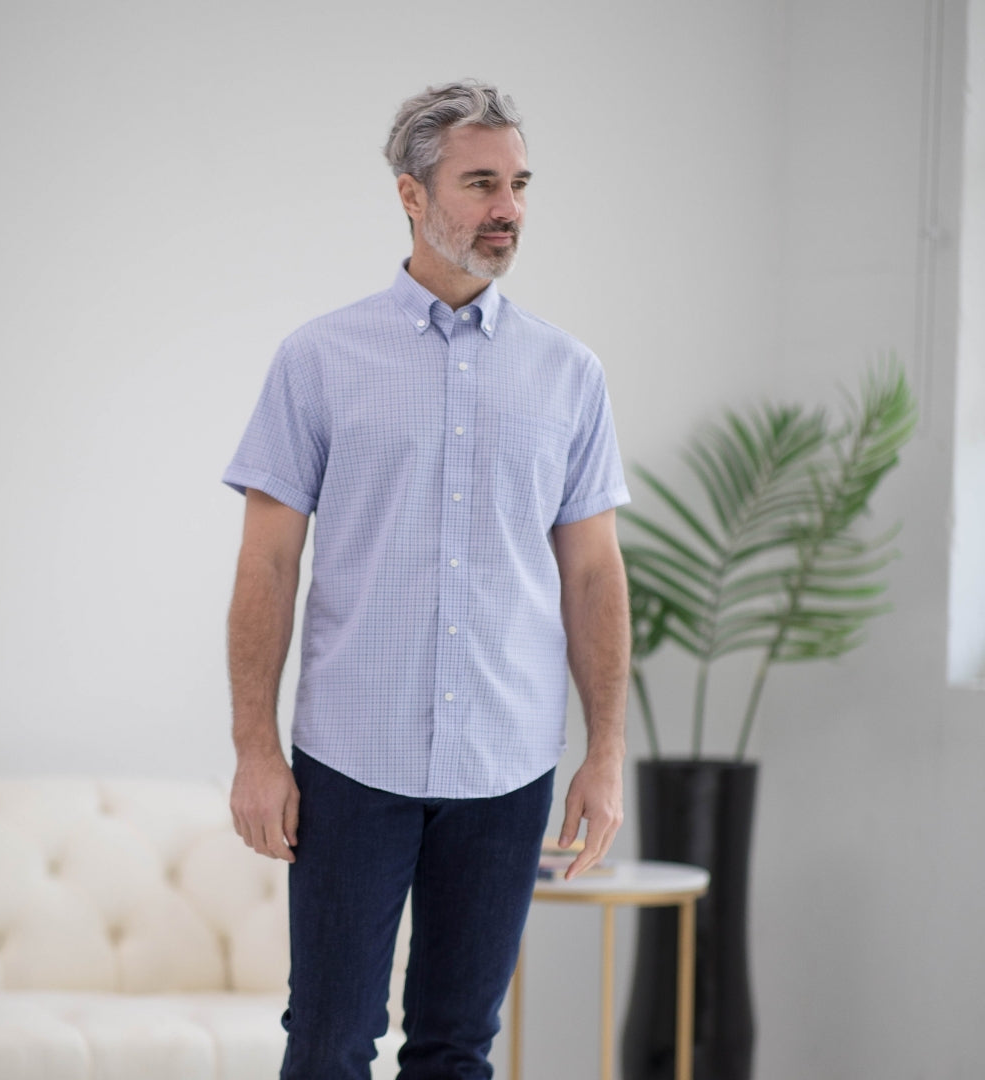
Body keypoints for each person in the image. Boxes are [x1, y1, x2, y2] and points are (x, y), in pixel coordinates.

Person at [223, 79, 631, 1080]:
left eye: (521, 184)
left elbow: (591, 573)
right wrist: (254, 750)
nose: (508, 209)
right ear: (413, 196)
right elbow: (268, 562)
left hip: (506, 767)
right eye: (481, 182)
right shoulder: (318, 360)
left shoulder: (568, 375)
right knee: (327, 1044)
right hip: (349, 763)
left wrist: (607, 751)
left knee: (458, 1049)